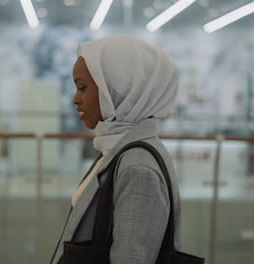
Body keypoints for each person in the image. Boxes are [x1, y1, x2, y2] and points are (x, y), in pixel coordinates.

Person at [50, 35, 182, 263]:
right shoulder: (117, 149)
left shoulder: (138, 168)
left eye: (82, 87)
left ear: (117, 90)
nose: (75, 99)